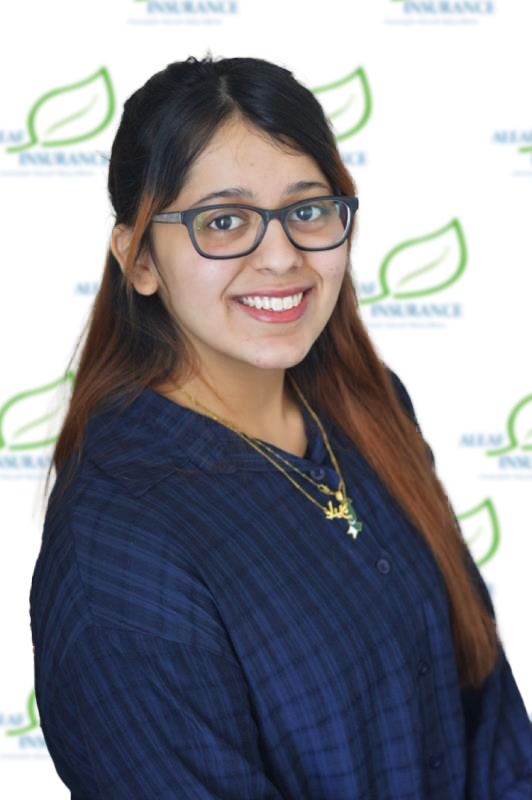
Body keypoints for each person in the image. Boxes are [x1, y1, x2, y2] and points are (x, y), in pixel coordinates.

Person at [30, 54, 531, 799]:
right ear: (139, 259)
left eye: (307, 210)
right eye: (223, 221)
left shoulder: (370, 406)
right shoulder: (119, 560)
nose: (281, 257)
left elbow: (485, 710)